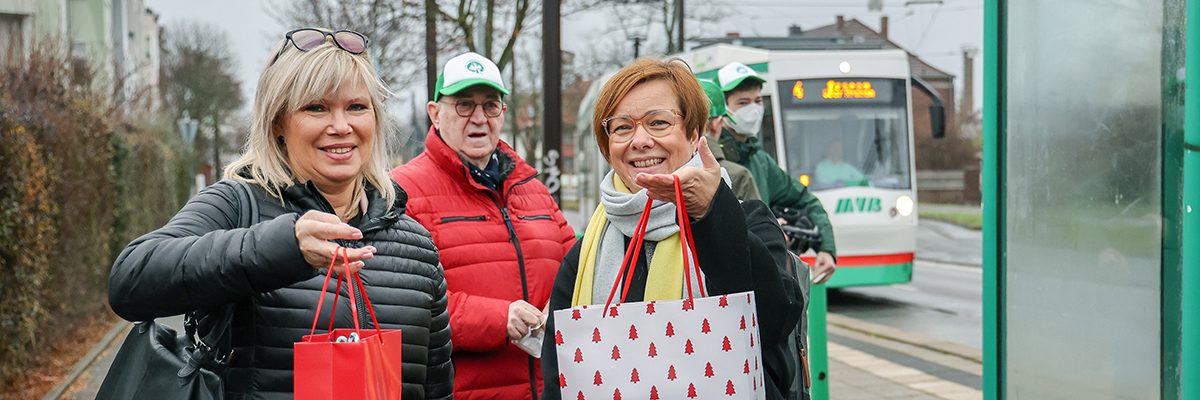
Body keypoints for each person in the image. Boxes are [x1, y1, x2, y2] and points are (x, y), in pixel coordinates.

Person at [108, 28, 452, 399]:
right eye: (316, 107)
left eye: (356, 107)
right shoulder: (239, 204)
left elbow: (436, 388)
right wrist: (285, 246)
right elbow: (131, 279)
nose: (341, 126)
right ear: (278, 123)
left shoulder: (417, 247)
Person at [540, 58, 803, 400]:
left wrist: (710, 213)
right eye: (622, 128)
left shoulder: (746, 221)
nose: (640, 140)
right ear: (608, 147)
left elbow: (773, 323)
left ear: (694, 134)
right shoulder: (584, 254)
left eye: (659, 123)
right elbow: (560, 375)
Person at [391, 52, 576, 400]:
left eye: (490, 106)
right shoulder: (402, 192)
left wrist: (562, 301)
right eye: (464, 105)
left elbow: (578, 265)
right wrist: (496, 318)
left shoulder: (533, 189)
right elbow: (401, 305)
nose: (479, 118)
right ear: (435, 113)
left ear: (502, 114)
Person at [717, 61, 837, 283]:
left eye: (758, 101)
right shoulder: (708, 160)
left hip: (764, 278)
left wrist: (826, 249)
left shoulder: (760, 160)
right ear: (720, 109)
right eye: (743, 102)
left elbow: (806, 200)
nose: (753, 109)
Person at [698, 78, 760, 201]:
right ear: (717, 123)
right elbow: (756, 219)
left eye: (758, 101)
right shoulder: (739, 175)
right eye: (743, 102)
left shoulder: (662, 170)